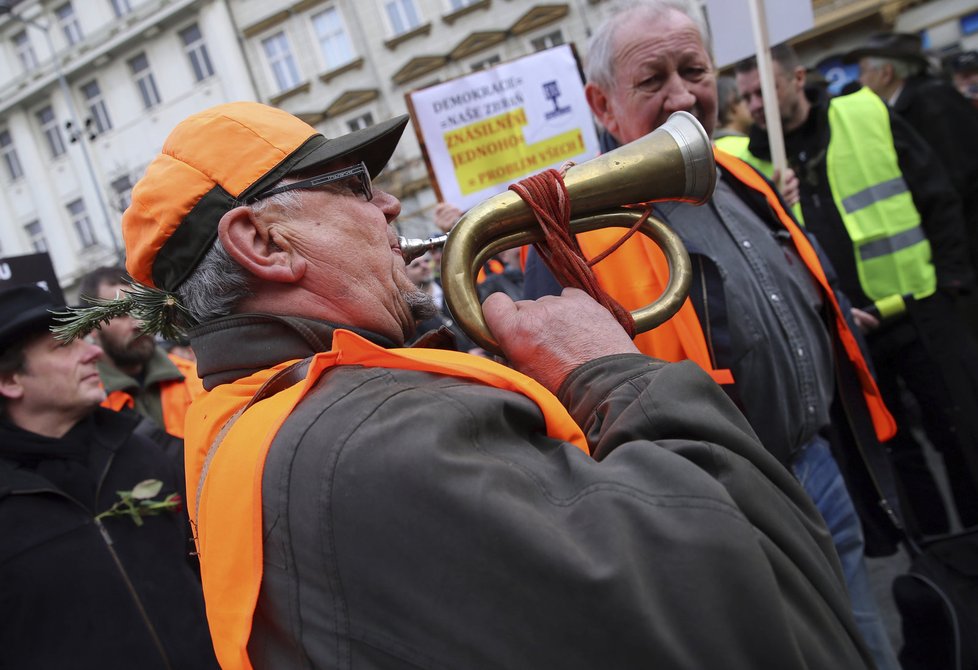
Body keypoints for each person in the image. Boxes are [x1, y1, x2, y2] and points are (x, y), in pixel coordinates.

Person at [67, 99, 881, 668]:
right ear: (263, 243)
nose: (388, 205)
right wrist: (614, 374)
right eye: (353, 186)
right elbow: (767, 617)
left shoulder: (241, 420)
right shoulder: (386, 440)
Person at [523, 3, 901, 668]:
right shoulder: (568, 234)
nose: (681, 95)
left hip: (820, 468)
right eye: (652, 79)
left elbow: (790, 279)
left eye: (694, 70)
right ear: (600, 104)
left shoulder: (744, 175)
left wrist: (828, 309)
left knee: (866, 643)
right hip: (725, 509)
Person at [734, 42, 978, 538]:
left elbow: (936, 195)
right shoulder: (747, 164)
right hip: (846, 335)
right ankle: (939, 562)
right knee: (896, 458)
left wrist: (953, 281)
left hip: (919, 311)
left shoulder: (863, 114)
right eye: (747, 97)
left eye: (765, 89)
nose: (756, 104)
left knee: (959, 435)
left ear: (797, 78)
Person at [0, 284, 216, 669]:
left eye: (86, 339)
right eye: (65, 345)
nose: (94, 352)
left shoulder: (142, 453)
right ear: (10, 381)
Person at [844, 34, 978, 284]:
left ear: (886, 74)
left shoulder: (931, 102)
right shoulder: (910, 105)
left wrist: (955, 264)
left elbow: (957, 182)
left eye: (864, 72)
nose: (860, 81)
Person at [78, 266, 203, 440]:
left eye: (142, 308)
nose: (138, 323)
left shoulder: (194, 378)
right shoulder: (88, 400)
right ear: (92, 327)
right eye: (121, 314)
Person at [713, 75, 752, 148]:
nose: (754, 105)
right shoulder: (751, 148)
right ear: (733, 105)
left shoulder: (710, 149)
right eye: (747, 98)